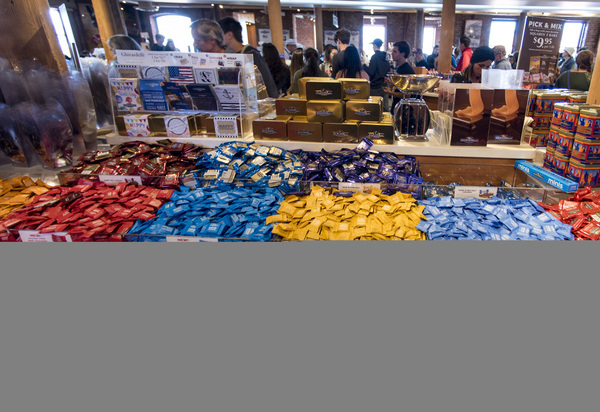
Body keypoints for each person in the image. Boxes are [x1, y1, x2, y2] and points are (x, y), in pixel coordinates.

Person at [218, 16, 278, 98]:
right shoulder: (228, 55)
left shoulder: (251, 54)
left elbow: (268, 83)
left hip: (256, 101)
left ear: (229, 35)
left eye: (220, 34)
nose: (218, 38)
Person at [383, 40, 415, 112]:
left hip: (403, 110)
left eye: (395, 52)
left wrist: (391, 93)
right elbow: (400, 87)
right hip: (397, 106)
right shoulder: (399, 68)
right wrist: (391, 84)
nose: (392, 53)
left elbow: (407, 95)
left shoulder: (407, 70)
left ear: (402, 54)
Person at [363, 38, 390, 110]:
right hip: (384, 85)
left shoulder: (374, 57)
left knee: (374, 108)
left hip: (375, 86)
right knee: (385, 108)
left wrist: (364, 66)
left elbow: (371, 72)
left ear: (375, 45)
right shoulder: (385, 57)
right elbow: (388, 68)